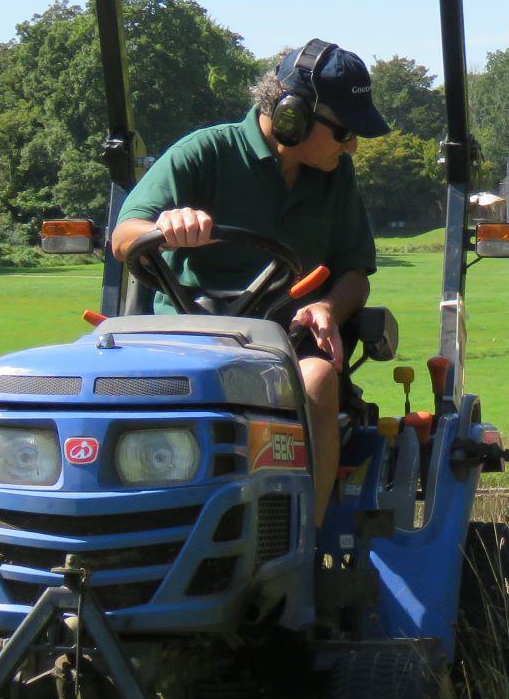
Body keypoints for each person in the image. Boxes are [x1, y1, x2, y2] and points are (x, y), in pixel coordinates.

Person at [110, 40, 389, 525]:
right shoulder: (204, 152)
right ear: (291, 117)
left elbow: (355, 271)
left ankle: (303, 543)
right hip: (185, 340)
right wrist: (169, 229)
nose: (352, 147)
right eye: (343, 132)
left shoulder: (335, 178)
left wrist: (328, 308)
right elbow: (124, 235)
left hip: (282, 344)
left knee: (318, 378)